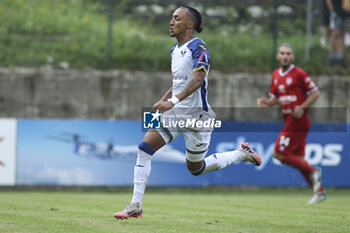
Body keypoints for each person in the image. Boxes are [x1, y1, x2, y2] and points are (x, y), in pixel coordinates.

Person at [114, 6, 262, 220]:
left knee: (196, 168)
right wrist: (165, 100)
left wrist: (172, 101)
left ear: (189, 24)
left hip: (197, 117)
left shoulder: (198, 46)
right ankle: (135, 205)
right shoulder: (174, 50)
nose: (171, 22)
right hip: (176, 112)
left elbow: (197, 80)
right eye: (171, 18)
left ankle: (241, 153)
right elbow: (179, 83)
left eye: (176, 18)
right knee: (144, 148)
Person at [257, 43, 327, 205]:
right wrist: (267, 103)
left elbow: (315, 93)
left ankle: (313, 171)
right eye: (282, 53)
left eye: (288, 53)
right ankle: (319, 192)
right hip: (289, 120)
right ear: (278, 56)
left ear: (292, 57)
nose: (285, 56)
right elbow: (275, 98)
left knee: (278, 154)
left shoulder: (299, 74)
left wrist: (302, 107)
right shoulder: (276, 74)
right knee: (300, 159)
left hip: (298, 121)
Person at [326, 0, 350, 68]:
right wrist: (332, 11)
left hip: (346, 13)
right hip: (336, 12)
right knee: (335, 33)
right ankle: (331, 56)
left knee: (342, 34)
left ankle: (340, 56)